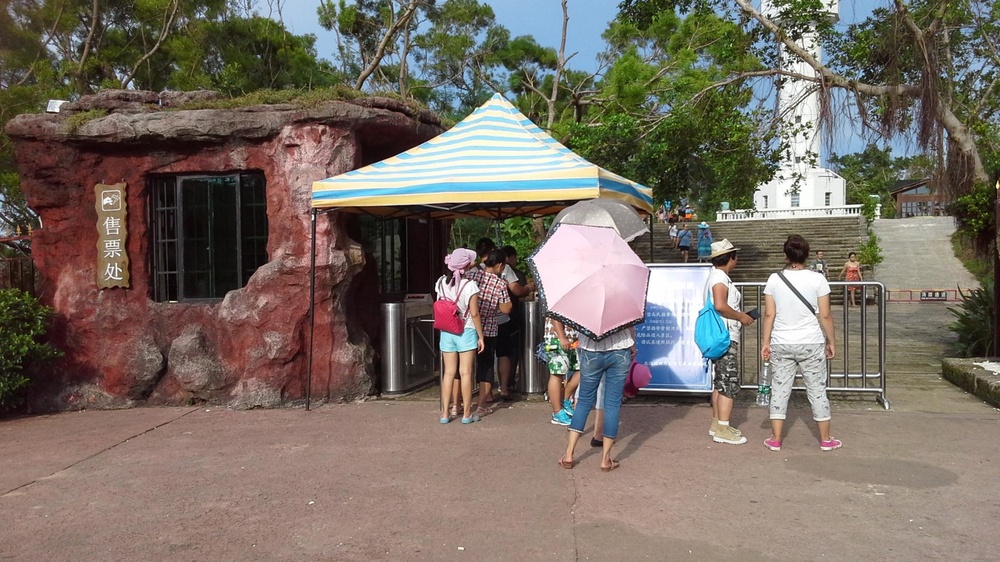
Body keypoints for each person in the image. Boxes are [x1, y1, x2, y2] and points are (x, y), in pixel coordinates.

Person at [761, 234, 841, 451]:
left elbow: (769, 314)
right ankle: (825, 439)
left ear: (785, 254)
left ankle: (775, 439)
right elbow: (825, 315)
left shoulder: (774, 279)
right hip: (811, 342)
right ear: (807, 255)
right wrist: (831, 341)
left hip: (781, 341)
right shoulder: (818, 279)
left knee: (779, 388)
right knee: (817, 389)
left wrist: (765, 342)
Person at [559, 327, 636, 473]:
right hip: (621, 350)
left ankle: (569, 455)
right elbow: (630, 324)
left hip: (591, 350)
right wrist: (632, 344)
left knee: (584, 402)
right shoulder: (623, 303)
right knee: (612, 404)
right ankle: (606, 459)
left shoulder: (587, 303)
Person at [705, 239, 754, 445]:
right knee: (728, 381)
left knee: (720, 381)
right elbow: (720, 305)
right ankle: (723, 428)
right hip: (726, 334)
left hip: (721, 334)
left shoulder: (718, 276)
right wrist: (741, 316)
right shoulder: (720, 278)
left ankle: (718, 423)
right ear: (731, 259)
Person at [476, 238, 531, 399]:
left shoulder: (475, 274)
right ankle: (504, 388)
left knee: (484, 358)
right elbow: (515, 293)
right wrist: (526, 288)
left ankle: (486, 393)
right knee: (503, 354)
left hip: (480, 323)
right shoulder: (503, 273)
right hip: (501, 321)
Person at [435, 248, 485, 425]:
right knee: (466, 373)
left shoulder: (440, 282)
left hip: (446, 331)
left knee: (448, 373)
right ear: (467, 266)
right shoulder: (470, 286)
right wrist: (481, 336)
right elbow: (475, 313)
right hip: (466, 330)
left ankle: (445, 413)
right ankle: (466, 414)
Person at [463, 248, 512, 417]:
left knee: (464, 367)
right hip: (489, 329)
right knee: (486, 367)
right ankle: (481, 405)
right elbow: (506, 309)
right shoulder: (499, 284)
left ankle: (459, 403)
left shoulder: (471, 276)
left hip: (467, 327)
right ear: (499, 265)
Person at [545, 318, 580, 426]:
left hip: (575, 338)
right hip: (557, 338)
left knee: (583, 369)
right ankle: (557, 412)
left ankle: (564, 398)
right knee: (557, 373)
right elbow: (555, 315)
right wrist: (561, 337)